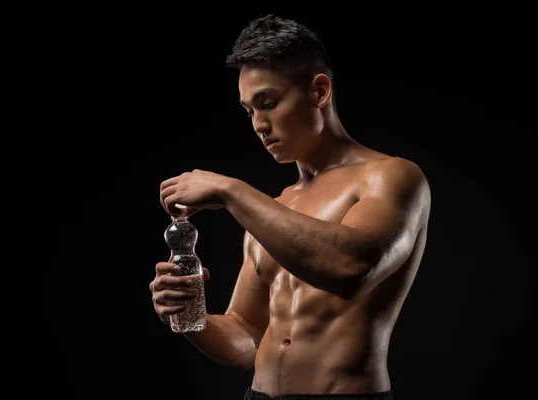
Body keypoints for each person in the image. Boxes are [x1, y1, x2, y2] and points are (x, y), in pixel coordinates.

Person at [150, 14, 431, 399]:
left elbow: (350, 270)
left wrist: (230, 190)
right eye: (249, 111)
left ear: (319, 92)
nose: (258, 125)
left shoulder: (391, 177)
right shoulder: (273, 209)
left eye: (268, 103)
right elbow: (244, 336)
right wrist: (190, 317)